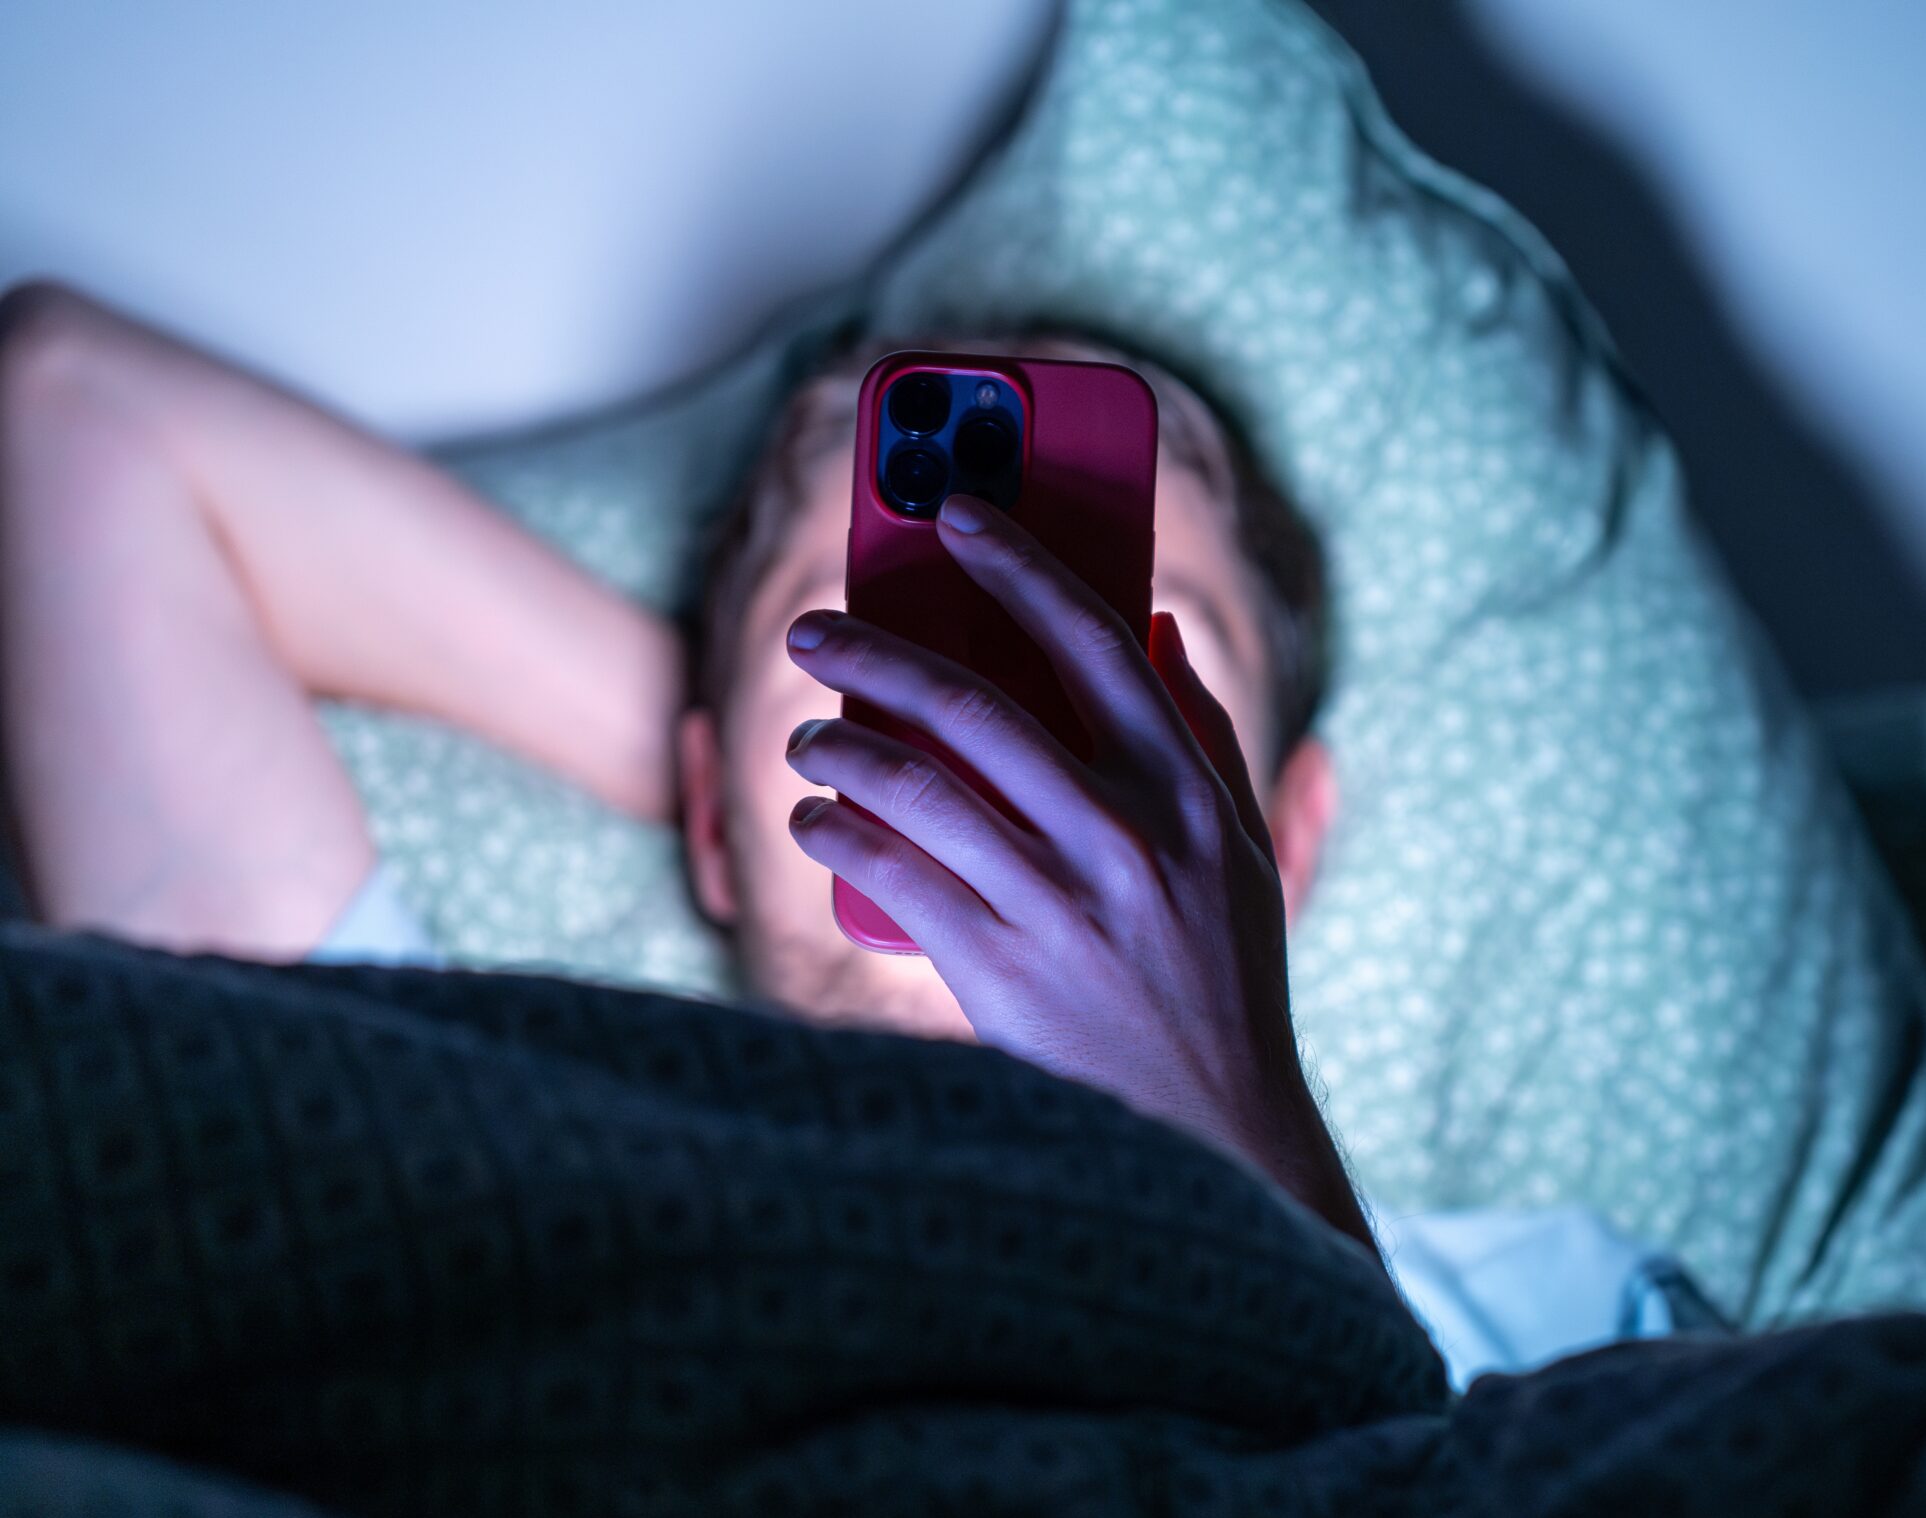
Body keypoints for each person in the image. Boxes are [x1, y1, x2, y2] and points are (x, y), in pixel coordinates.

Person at [0, 283, 1371, 1251]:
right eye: (867, 643)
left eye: (1115, 651)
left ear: (1287, 843)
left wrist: (1257, 1161)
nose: (979, 731)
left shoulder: (1493, 1331)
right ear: (712, 817)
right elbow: (72, 413)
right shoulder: (445, 1155)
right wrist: (758, 760)